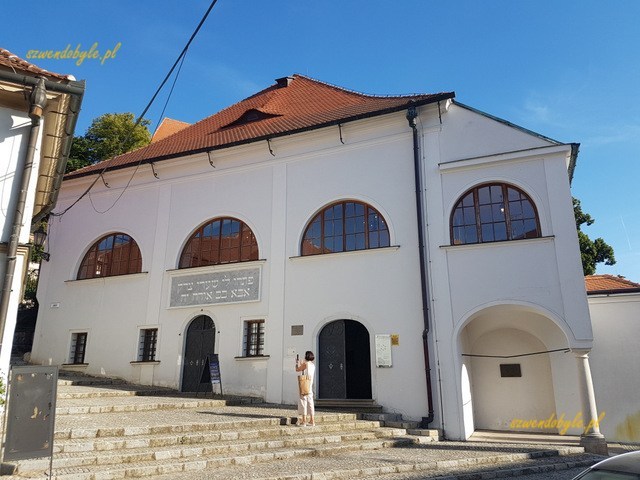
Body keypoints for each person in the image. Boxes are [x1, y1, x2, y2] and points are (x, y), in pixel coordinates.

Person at [295, 350, 316, 426]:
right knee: (310, 403)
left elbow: (297, 369)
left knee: (303, 402)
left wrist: (297, 363)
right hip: (310, 385)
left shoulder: (305, 364)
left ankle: (304, 421)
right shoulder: (312, 365)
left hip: (304, 384)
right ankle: (312, 420)